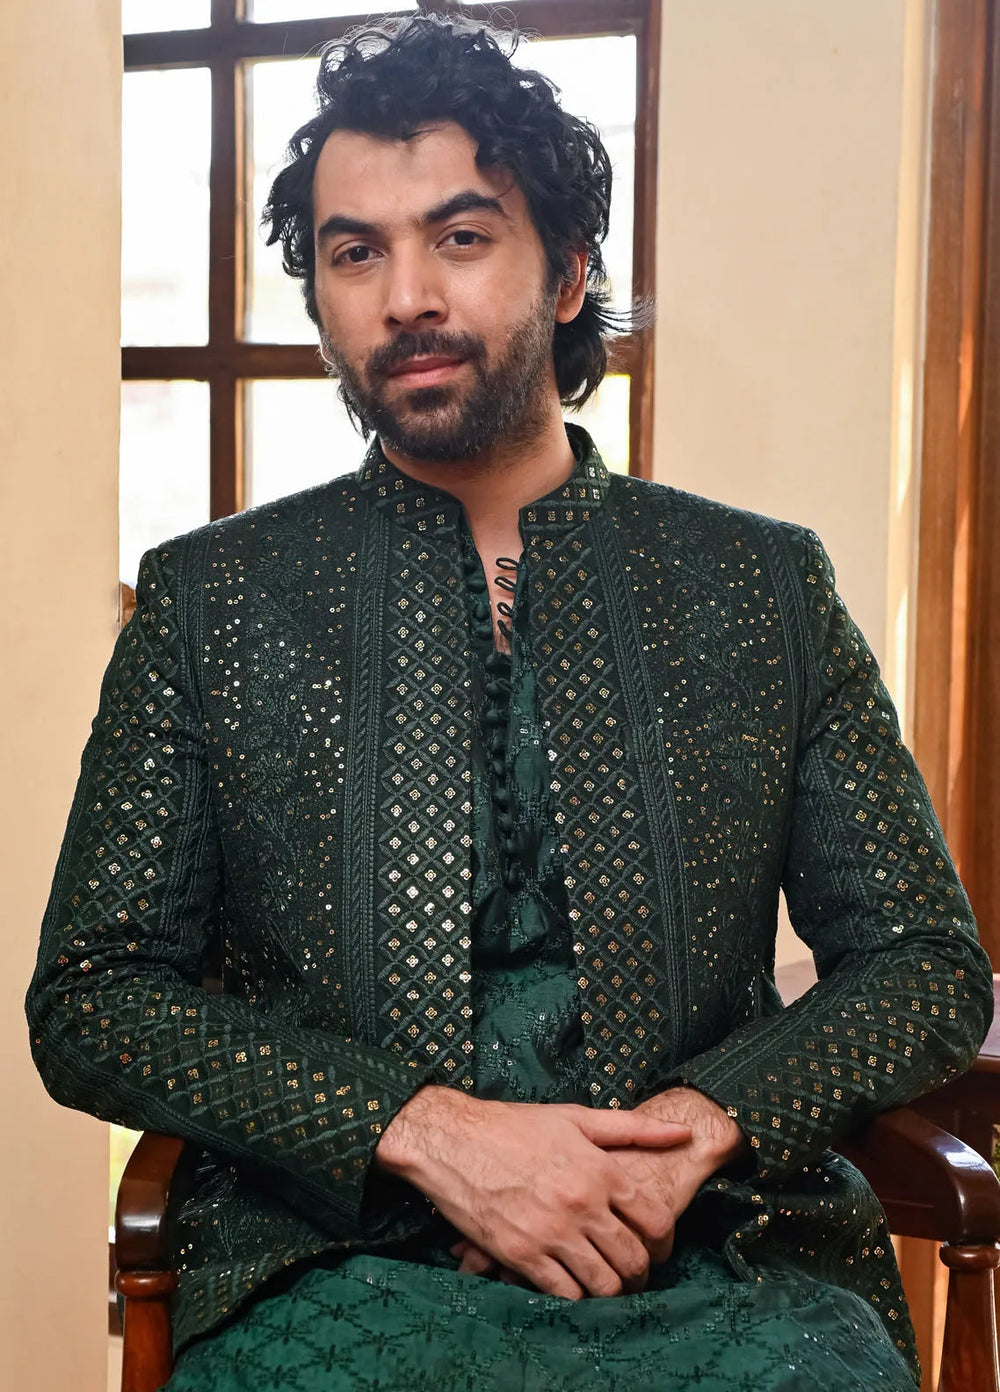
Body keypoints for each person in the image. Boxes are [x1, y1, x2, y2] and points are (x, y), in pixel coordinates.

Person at [27, 14, 992, 1391]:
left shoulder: (758, 585)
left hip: (714, 1254)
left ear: (570, 270)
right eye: (355, 252)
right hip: (339, 1261)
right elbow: (92, 996)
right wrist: (422, 1131)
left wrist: (695, 1132)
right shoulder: (215, 600)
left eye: (462, 236)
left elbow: (923, 963)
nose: (406, 295)